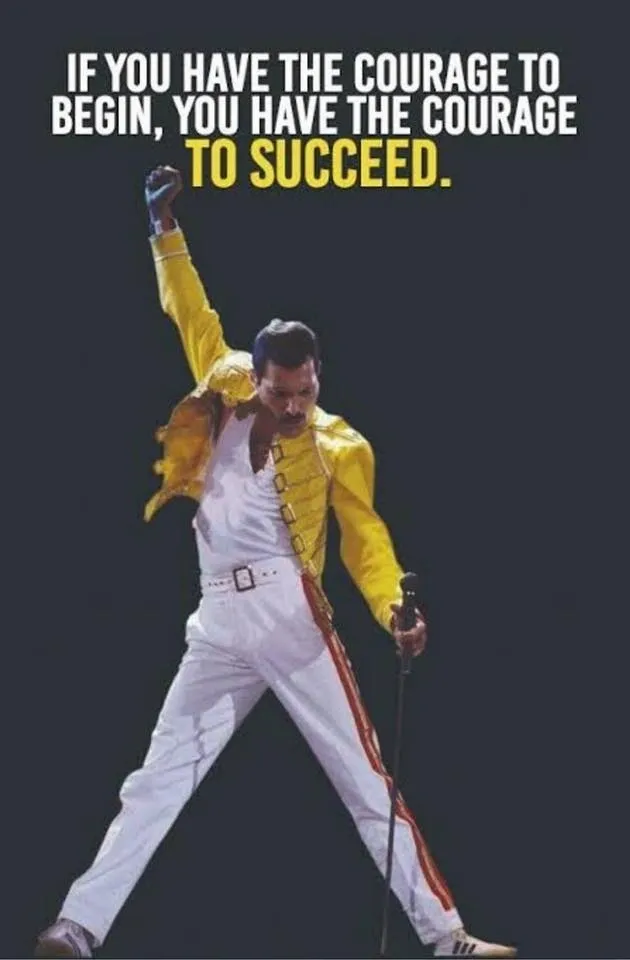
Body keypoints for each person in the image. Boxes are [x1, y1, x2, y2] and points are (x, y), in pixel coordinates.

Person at [35, 166, 516, 959]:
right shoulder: (223, 385)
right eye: (280, 392)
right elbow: (189, 310)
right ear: (256, 380)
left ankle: (449, 938)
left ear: (316, 377)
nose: (293, 405)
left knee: (364, 780)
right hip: (218, 620)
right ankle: (77, 927)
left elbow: (365, 538)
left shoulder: (338, 445)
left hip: (293, 619)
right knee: (156, 778)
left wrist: (393, 608)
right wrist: (164, 229)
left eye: (304, 391)